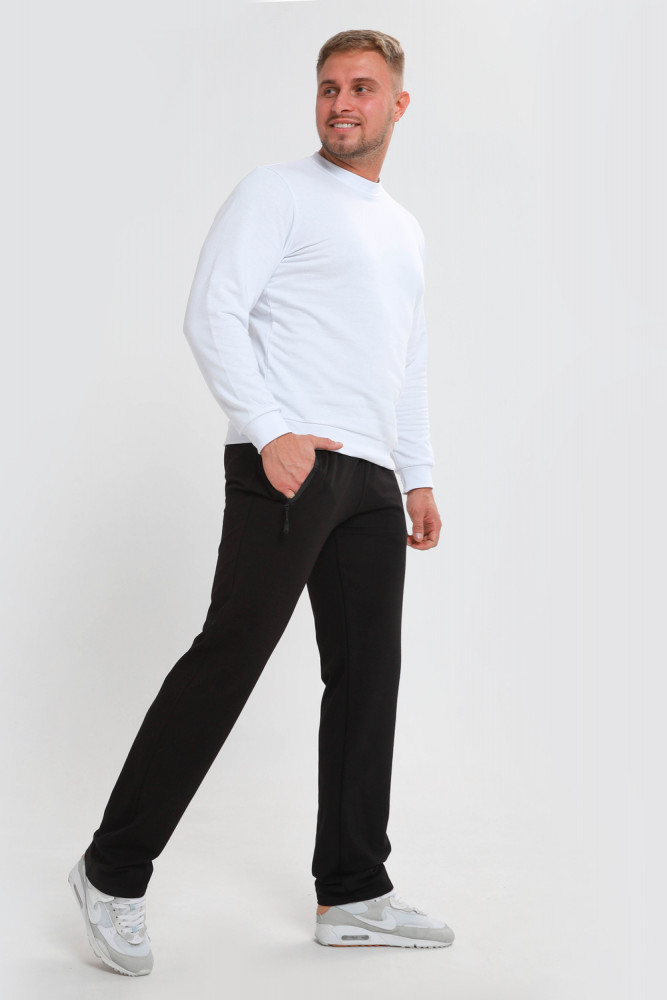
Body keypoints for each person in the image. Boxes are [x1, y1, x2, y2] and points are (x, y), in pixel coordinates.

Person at [68, 28, 454, 976]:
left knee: (368, 679)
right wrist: (269, 427)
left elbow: (403, 362)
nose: (341, 104)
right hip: (288, 463)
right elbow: (212, 309)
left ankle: (352, 889)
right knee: (229, 658)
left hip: (370, 480)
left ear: (398, 105)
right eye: (328, 87)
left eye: (361, 88)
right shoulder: (276, 191)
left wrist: (415, 472)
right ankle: (111, 871)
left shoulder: (402, 230)